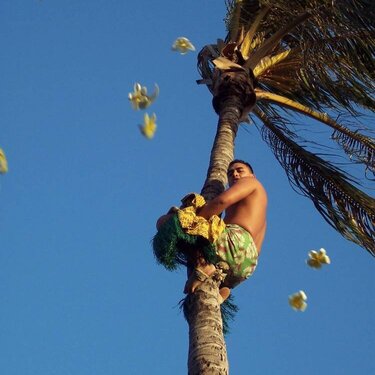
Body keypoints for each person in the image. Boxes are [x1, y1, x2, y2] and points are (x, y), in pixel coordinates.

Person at [156, 159, 267, 303]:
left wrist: (192, 220)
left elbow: (221, 202)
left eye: (240, 170)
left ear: (252, 175)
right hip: (246, 266)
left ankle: (203, 265)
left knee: (165, 221)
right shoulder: (261, 214)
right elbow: (256, 251)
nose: (235, 174)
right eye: (230, 173)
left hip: (235, 242)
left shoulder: (250, 182)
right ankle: (223, 287)